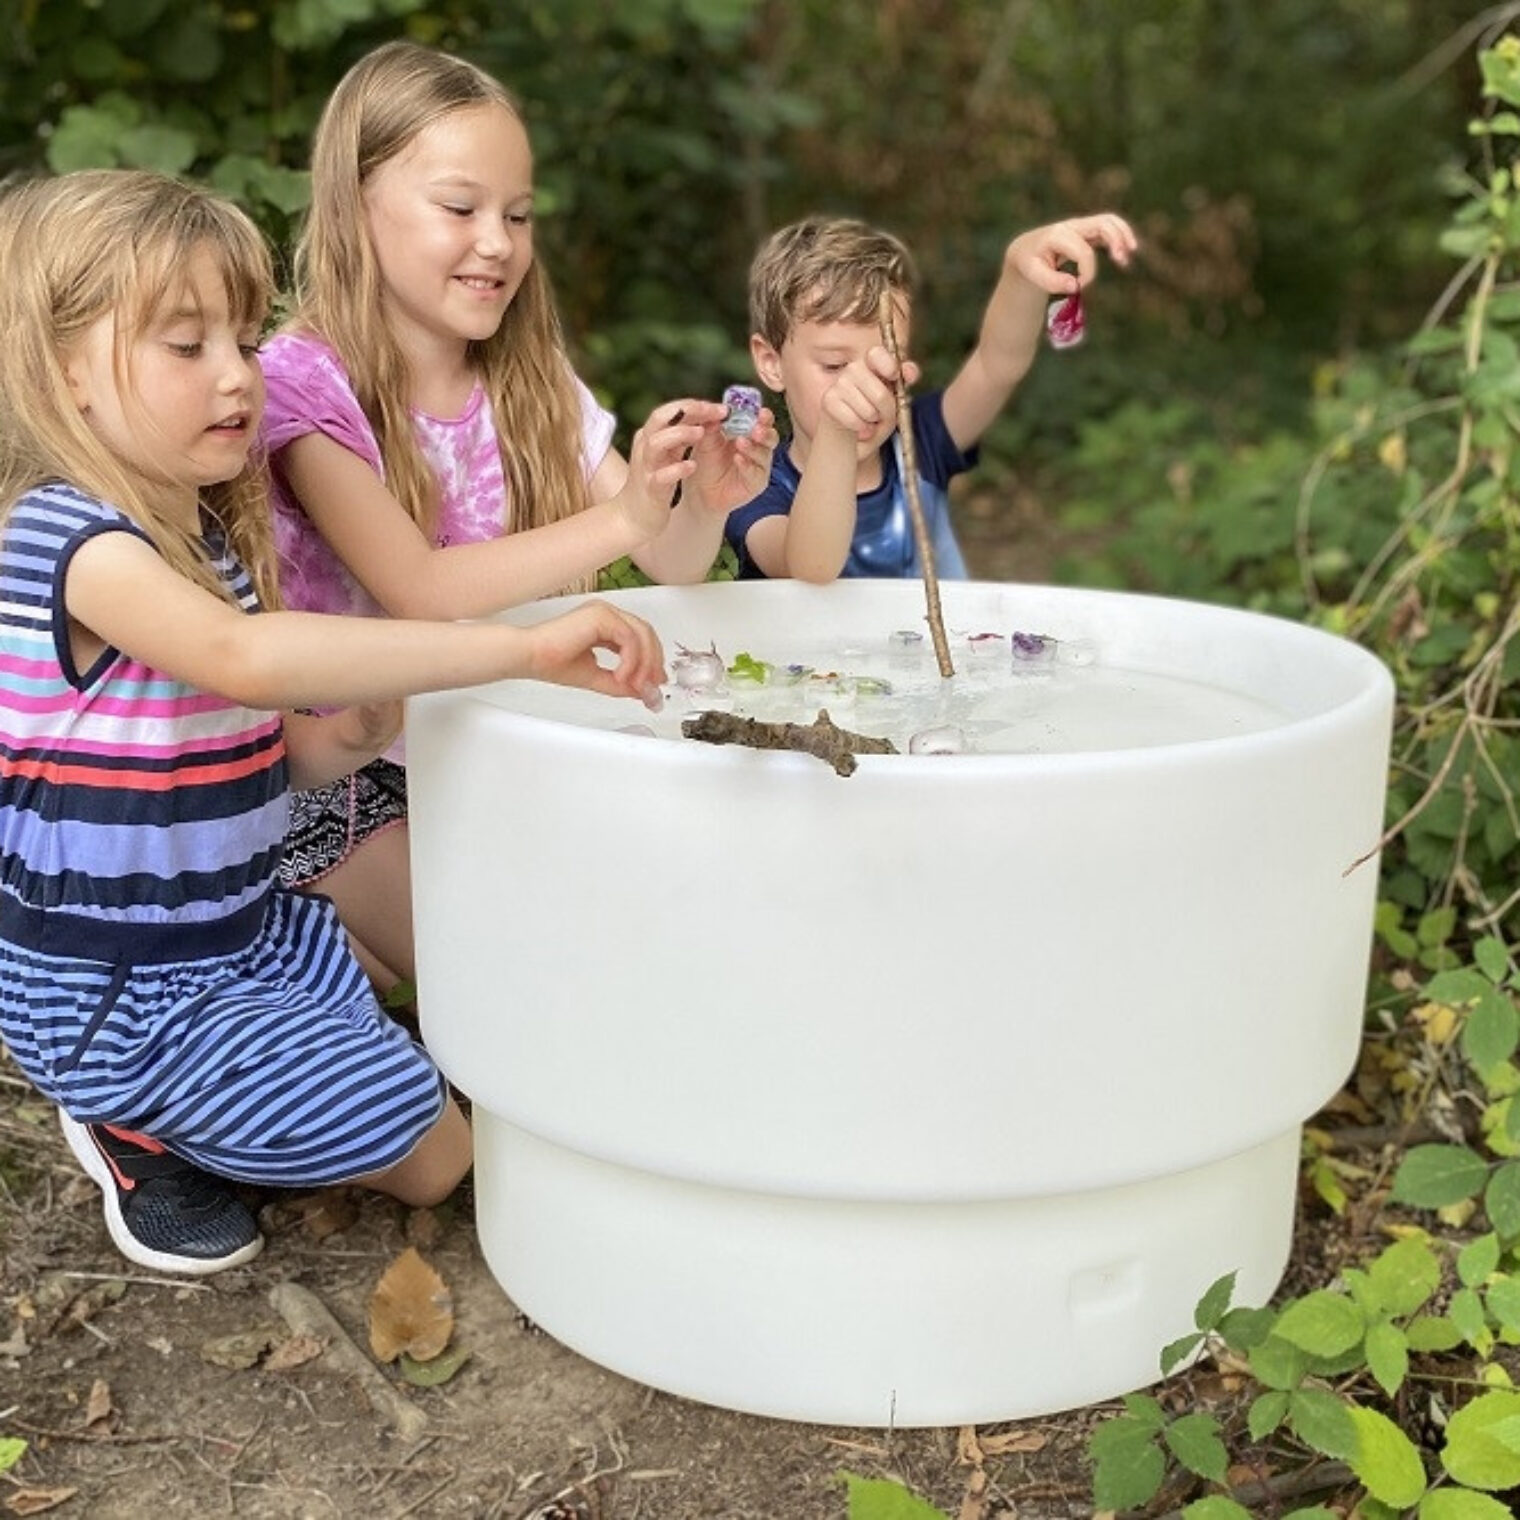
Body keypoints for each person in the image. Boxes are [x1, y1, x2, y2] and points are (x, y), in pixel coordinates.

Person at [0, 168, 670, 1276]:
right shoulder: (71, 541)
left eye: (243, 340)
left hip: (238, 932)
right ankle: (129, 1121)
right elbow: (245, 660)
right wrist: (518, 645)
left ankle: (264, 1072)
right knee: (439, 1155)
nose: (235, 376)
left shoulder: (200, 541)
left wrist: (349, 733)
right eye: (185, 345)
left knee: (457, 1017)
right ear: (66, 371)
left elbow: (249, 748)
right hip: (119, 987)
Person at [259, 40, 775, 999]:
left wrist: (697, 501)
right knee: (520, 985)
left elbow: (669, 559)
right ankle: (294, 977)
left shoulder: (529, 382)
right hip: (339, 776)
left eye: (519, 215)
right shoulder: (302, 388)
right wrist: (625, 514)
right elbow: (421, 589)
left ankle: (356, 983)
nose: (497, 240)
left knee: (664, 927)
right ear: (353, 207)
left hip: (493, 750)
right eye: (461, 208)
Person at [725, 212, 1138, 582]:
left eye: (886, 363)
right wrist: (837, 433)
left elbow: (997, 364)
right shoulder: (753, 482)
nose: (866, 388)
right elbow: (808, 568)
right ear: (771, 362)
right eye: (834, 365)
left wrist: (1021, 271)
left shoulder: (921, 442)